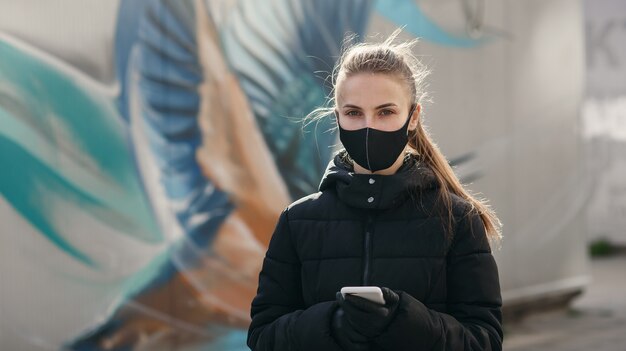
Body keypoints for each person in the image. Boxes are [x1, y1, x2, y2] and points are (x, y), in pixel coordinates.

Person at [246, 29, 503, 351]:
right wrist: (333, 323)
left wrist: (407, 321)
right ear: (337, 117)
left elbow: (485, 341)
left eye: (385, 112)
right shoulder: (298, 221)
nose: (369, 126)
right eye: (354, 113)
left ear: (412, 118)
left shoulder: (458, 219)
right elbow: (262, 337)